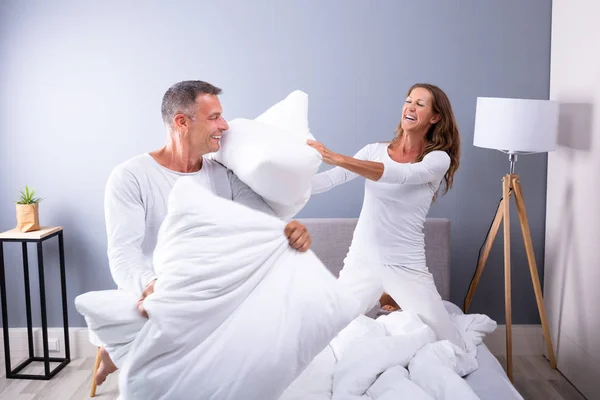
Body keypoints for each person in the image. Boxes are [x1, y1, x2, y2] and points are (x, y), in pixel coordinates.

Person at [94, 80, 312, 386]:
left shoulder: (223, 177)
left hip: (209, 294)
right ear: (182, 122)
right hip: (157, 291)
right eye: (214, 117)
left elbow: (264, 228)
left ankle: (114, 352)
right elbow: (123, 253)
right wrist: (152, 285)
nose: (224, 125)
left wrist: (289, 232)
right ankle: (117, 350)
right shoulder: (131, 177)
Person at [307, 83, 466, 350]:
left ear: (435, 117)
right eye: (408, 101)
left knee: (452, 347)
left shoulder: (438, 159)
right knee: (324, 335)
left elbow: (401, 175)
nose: (410, 107)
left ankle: (390, 305)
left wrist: (337, 157)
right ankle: (382, 303)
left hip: (406, 267)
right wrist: (280, 184)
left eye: (420, 104)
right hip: (362, 261)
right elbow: (328, 180)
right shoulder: (374, 150)